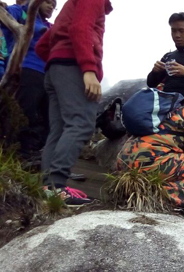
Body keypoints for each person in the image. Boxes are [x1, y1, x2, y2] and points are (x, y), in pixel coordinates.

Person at [35, 0, 113, 205]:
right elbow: (80, 28)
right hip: (74, 66)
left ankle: (48, 188)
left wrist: (57, 58)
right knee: (81, 124)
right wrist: (88, 69)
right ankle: (56, 185)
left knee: (60, 129)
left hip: (56, 68)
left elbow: (43, 45)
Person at [1, 0, 55, 160]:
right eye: (48, 1)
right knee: (26, 111)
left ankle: (33, 152)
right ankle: (18, 153)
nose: (51, 6)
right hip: (26, 67)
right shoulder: (21, 11)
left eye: (54, 4)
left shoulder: (51, 26)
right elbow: (5, 18)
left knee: (47, 117)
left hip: (47, 74)